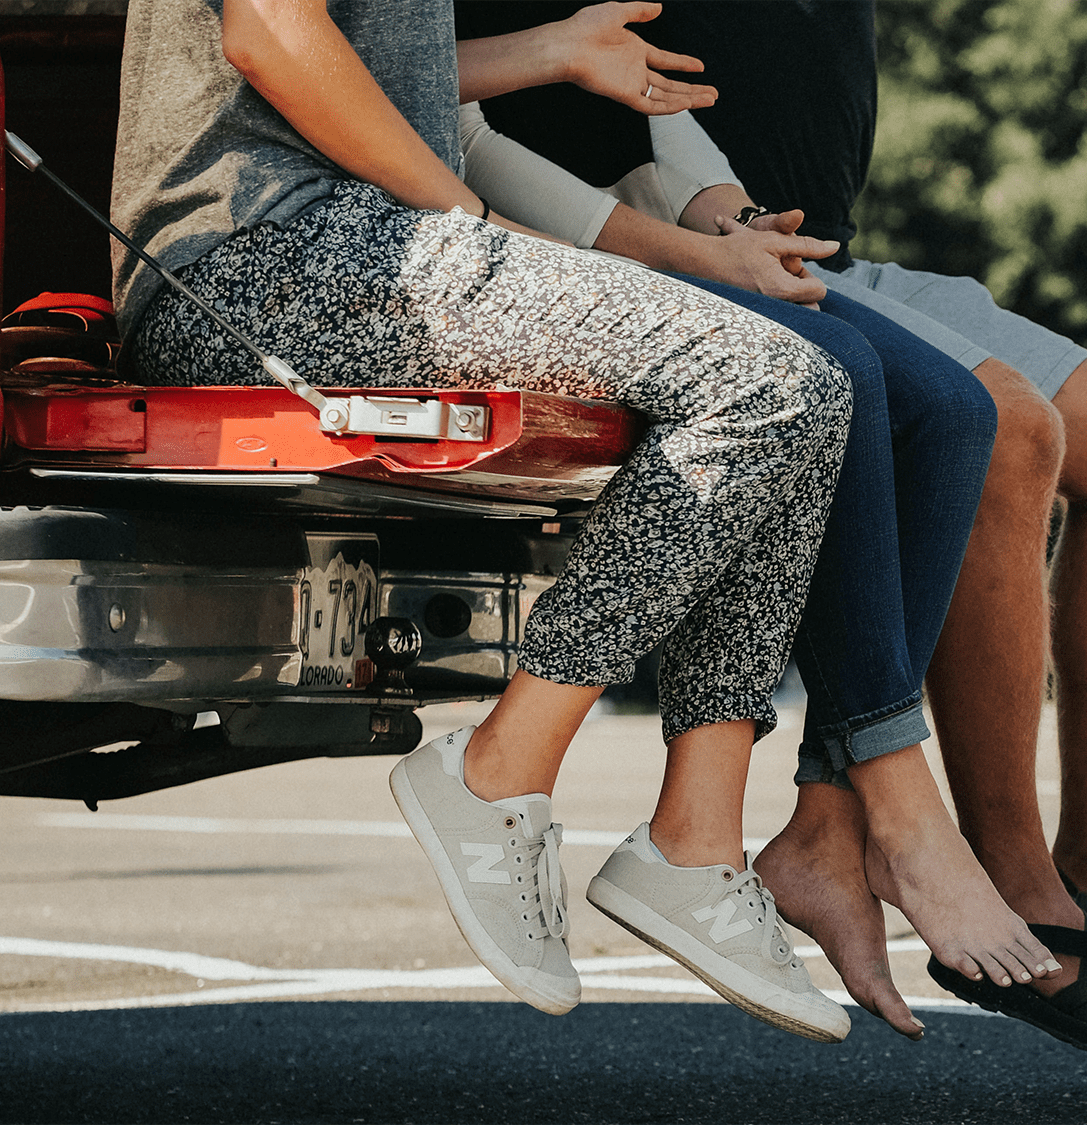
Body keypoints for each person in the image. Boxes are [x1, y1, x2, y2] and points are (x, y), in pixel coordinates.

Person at [449, 2, 1087, 1057]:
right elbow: (480, 119)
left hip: (780, 235)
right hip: (608, 242)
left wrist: (732, 217)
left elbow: (650, 102)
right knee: (984, 422)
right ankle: (966, 851)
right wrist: (683, 240)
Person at [111, 0, 869, 1041]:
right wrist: (459, 214)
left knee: (803, 389)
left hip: (367, 241)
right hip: (259, 259)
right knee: (769, 382)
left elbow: (391, 72)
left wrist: (548, 54)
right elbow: (268, 29)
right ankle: (497, 771)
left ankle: (696, 844)